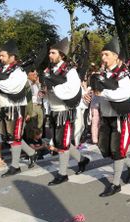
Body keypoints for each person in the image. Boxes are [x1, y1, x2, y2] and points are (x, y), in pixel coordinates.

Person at [86, 36, 130, 197]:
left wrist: (103, 93)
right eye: (102, 55)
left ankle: (116, 184)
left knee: (117, 150)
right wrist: (91, 98)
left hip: (119, 118)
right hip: (106, 116)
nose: (103, 58)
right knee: (108, 149)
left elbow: (123, 94)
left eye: (106, 54)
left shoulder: (123, 74)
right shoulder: (102, 74)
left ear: (116, 56)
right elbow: (97, 95)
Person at [40, 37, 90, 186]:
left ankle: (62, 174)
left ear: (61, 55)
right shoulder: (50, 70)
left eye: (53, 52)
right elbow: (49, 87)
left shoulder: (70, 71)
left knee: (62, 143)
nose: (50, 55)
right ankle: (82, 159)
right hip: (54, 109)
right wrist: (45, 92)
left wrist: (54, 88)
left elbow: (72, 90)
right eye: (49, 52)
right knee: (61, 141)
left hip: (64, 111)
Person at [0, 40, 38, 177]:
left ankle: (15, 166)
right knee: (10, 137)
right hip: (3, 107)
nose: (0, 58)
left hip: (14, 107)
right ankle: (32, 153)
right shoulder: (3, 70)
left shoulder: (19, 70)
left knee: (15, 137)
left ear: (12, 56)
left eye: (3, 55)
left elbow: (13, 86)